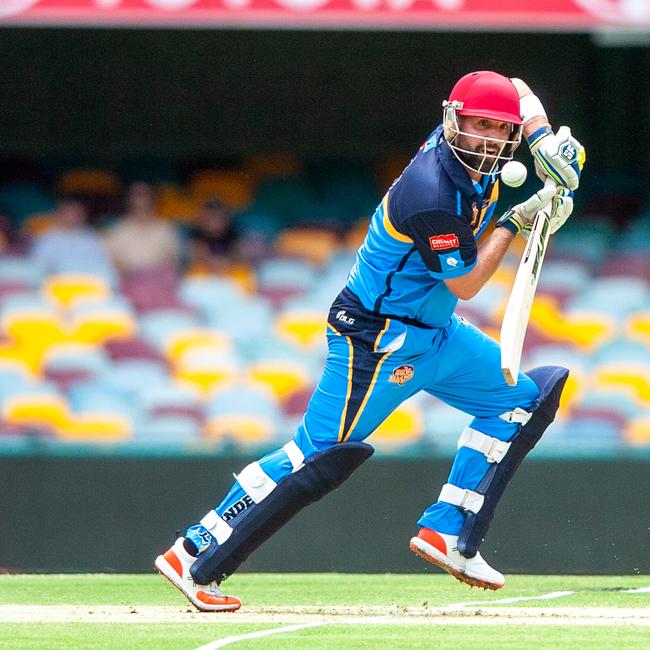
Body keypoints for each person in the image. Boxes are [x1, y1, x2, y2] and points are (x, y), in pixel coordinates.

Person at [155, 71, 585, 611]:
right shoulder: (430, 192)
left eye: (501, 130)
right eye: (479, 125)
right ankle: (194, 552)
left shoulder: (487, 149)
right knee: (318, 456)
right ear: (453, 119)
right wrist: (520, 219)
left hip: (435, 335)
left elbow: (518, 87)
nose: (489, 139)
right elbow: (468, 284)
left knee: (521, 401)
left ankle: (447, 532)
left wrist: (543, 137)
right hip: (376, 340)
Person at [103, 181, 181, 276]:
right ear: (129, 199)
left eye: (144, 193)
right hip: (128, 281)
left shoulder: (165, 228)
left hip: (159, 281)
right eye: (136, 194)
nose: (140, 198)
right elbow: (111, 262)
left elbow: (173, 261)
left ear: (152, 198)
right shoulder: (117, 230)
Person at [30, 196, 116, 279]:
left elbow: (102, 265)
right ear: (59, 214)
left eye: (76, 213)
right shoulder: (47, 238)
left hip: (89, 283)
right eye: (68, 212)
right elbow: (40, 267)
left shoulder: (92, 238)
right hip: (58, 284)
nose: (72, 217)